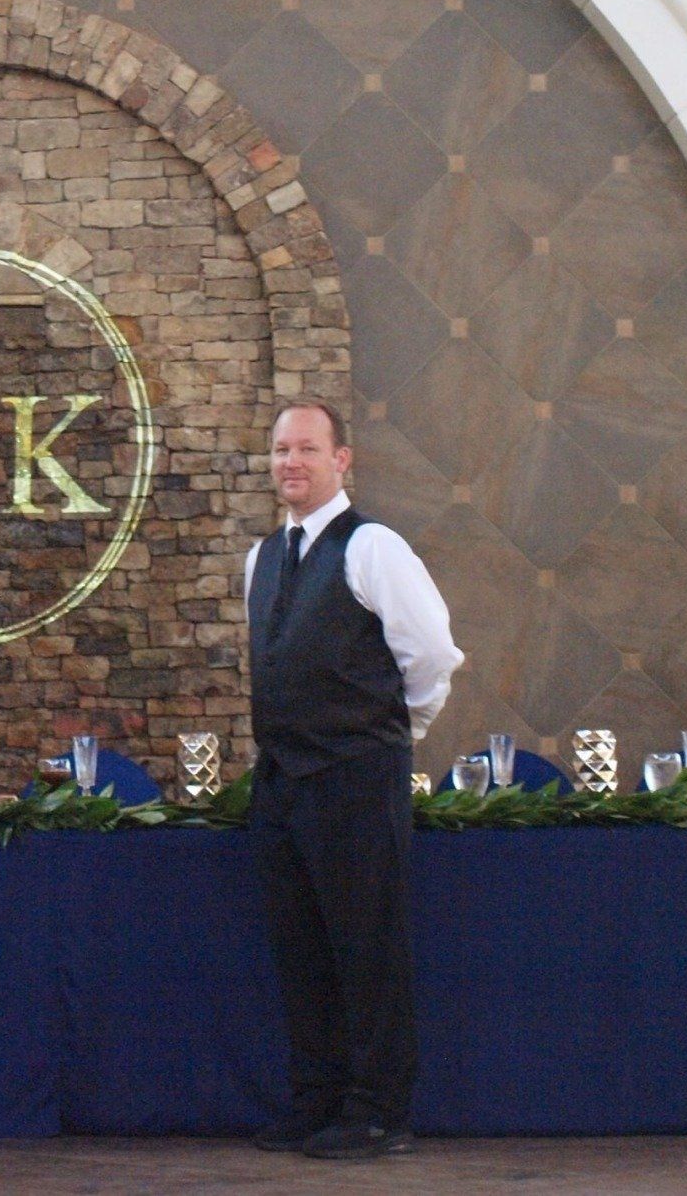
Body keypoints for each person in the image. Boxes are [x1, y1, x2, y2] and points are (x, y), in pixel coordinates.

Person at [242, 396, 462, 1160]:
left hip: (357, 779)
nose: (290, 463)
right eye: (279, 451)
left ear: (342, 459)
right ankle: (318, 1100)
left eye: (306, 449)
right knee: (301, 950)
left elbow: (432, 655)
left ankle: (378, 1111)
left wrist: (398, 732)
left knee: (366, 950)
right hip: (282, 784)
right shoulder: (263, 558)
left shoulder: (375, 549)